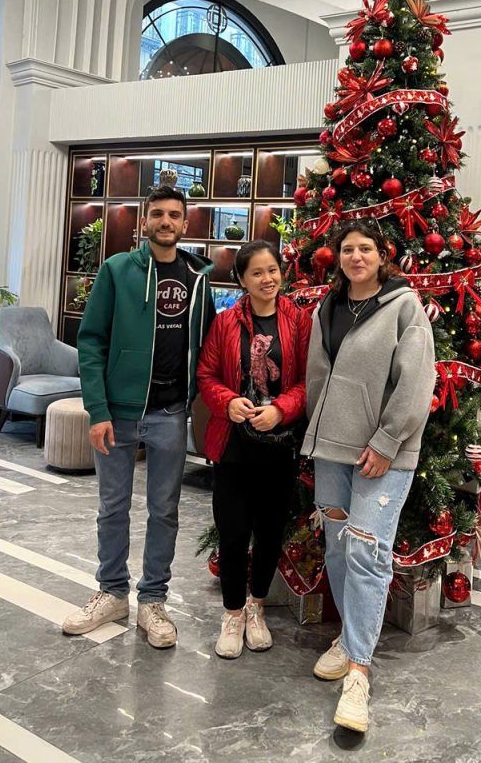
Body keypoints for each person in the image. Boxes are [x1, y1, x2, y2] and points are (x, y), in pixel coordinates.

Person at [62, 185, 215, 648]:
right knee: (112, 507)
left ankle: (153, 600)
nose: (166, 222)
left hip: (171, 412)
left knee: (165, 510)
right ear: (144, 221)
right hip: (119, 414)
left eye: (174, 215)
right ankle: (111, 593)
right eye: (158, 214)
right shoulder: (117, 270)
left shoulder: (198, 275)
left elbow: (208, 342)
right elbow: (91, 341)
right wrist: (98, 410)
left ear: (186, 223)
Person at [302, 220, 436, 734]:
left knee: (366, 552)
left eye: (365, 249)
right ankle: (348, 639)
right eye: (347, 249)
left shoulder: (404, 307)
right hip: (331, 450)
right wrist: (316, 431)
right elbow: (319, 376)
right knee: (338, 548)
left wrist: (385, 441)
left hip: (383, 453)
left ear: (383, 256)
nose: (355, 257)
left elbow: (417, 382)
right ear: (337, 257)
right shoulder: (329, 307)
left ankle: (358, 671)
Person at [196, 239, 311, 659]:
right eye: (257, 273)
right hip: (233, 446)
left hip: (279, 447)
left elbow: (308, 381)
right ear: (242, 280)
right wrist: (227, 401)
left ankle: (256, 606)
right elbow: (206, 375)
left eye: (273, 270)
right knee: (232, 532)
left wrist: (281, 409)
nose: (267, 279)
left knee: (269, 533)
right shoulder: (225, 322)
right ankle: (232, 613)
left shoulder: (299, 321)